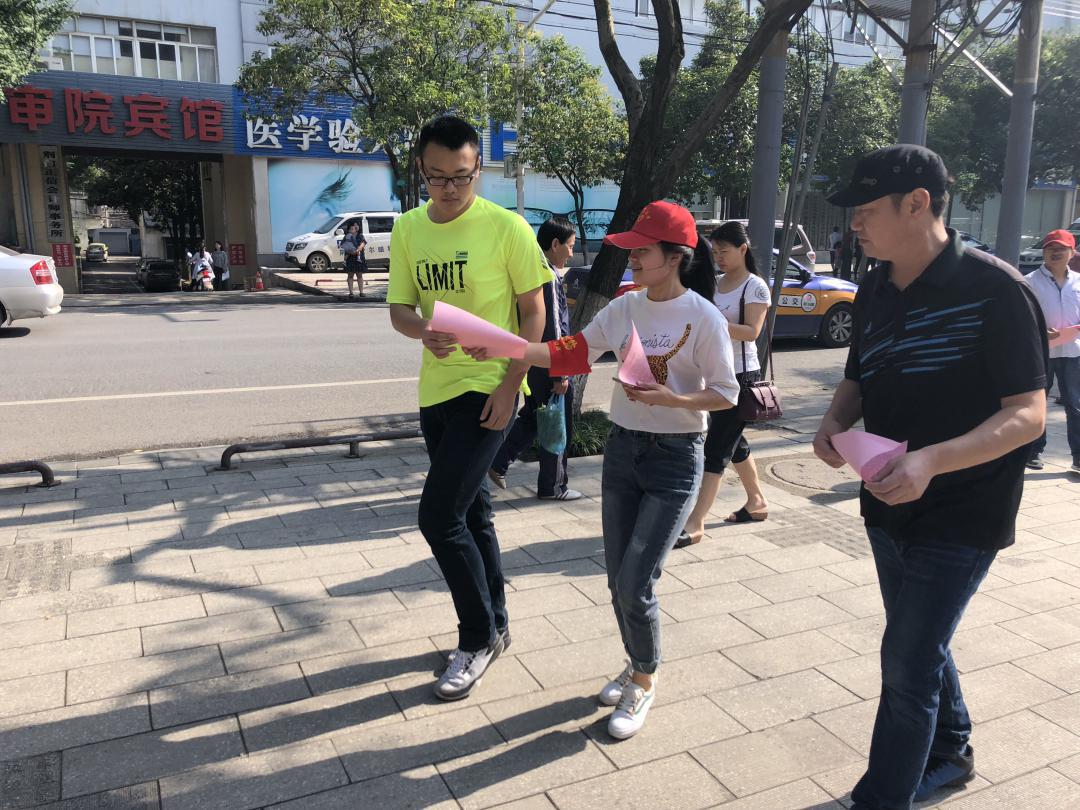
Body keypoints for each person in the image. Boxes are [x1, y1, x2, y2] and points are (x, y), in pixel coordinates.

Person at [813, 145, 1047, 810]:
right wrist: (834, 422)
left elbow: (1028, 415)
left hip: (964, 509)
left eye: (866, 209)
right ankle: (952, 750)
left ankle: (880, 798)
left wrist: (931, 460)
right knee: (920, 642)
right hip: (886, 500)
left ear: (917, 204)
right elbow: (859, 373)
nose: (855, 223)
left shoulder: (996, 289)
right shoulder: (874, 286)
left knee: (907, 660)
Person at [467, 201, 740, 739]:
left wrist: (672, 399)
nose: (632, 259)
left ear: (675, 257)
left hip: (675, 458)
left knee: (636, 581)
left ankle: (644, 679)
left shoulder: (703, 317)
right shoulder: (625, 307)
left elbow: (727, 394)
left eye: (642, 251)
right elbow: (572, 353)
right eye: (631, 250)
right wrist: (506, 346)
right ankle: (636, 662)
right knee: (618, 578)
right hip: (623, 452)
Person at [387, 115, 550, 702]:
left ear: (479, 168)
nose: (450, 188)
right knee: (474, 512)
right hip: (436, 391)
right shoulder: (408, 229)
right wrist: (422, 331)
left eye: (461, 176)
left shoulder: (507, 227)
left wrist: (512, 385)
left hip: (490, 386)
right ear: (421, 171)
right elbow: (400, 309)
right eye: (437, 177)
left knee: (438, 518)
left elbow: (534, 313)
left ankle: (476, 638)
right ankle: (496, 625)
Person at [677, 221, 770, 548]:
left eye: (724, 251)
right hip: (715, 372)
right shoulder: (715, 283)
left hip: (741, 376)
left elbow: (752, 332)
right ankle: (756, 501)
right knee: (733, 441)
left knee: (716, 449)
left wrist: (713, 322)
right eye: (715, 252)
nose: (718, 257)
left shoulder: (755, 286)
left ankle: (696, 522)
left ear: (743, 249)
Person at [489, 218, 582, 501]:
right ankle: (554, 486)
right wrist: (561, 372)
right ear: (554, 244)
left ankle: (497, 462)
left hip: (529, 357)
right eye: (570, 246)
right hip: (548, 360)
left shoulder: (529, 270)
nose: (571, 253)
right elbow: (554, 327)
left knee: (533, 416)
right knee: (556, 419)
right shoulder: (548, 275)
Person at [1027, 229, 1080, 471]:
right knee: (1037, 403)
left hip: (1073, 351)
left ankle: (1078, 457)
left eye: (1061, 248)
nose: (1055, 252)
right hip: (1041, 351)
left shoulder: (1078, 281)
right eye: (1050, 248)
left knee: (1075, 404)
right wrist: (1039, 330)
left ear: (1072, 252)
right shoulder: (1029, 281)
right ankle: (1034, 451)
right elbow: (1021, 315)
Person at [342, 221, 367, 299]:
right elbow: (344, 246)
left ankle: (361, 292)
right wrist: (351, 252)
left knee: (359, 275)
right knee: (350, 275)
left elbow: (363, 243)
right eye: (354, 226)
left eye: (357, 225)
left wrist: (357, 250)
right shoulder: (346, 236)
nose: (356, 227)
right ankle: (351, 293)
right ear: (349, 228)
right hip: (350, 257)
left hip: (359, 257)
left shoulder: (360, 236)